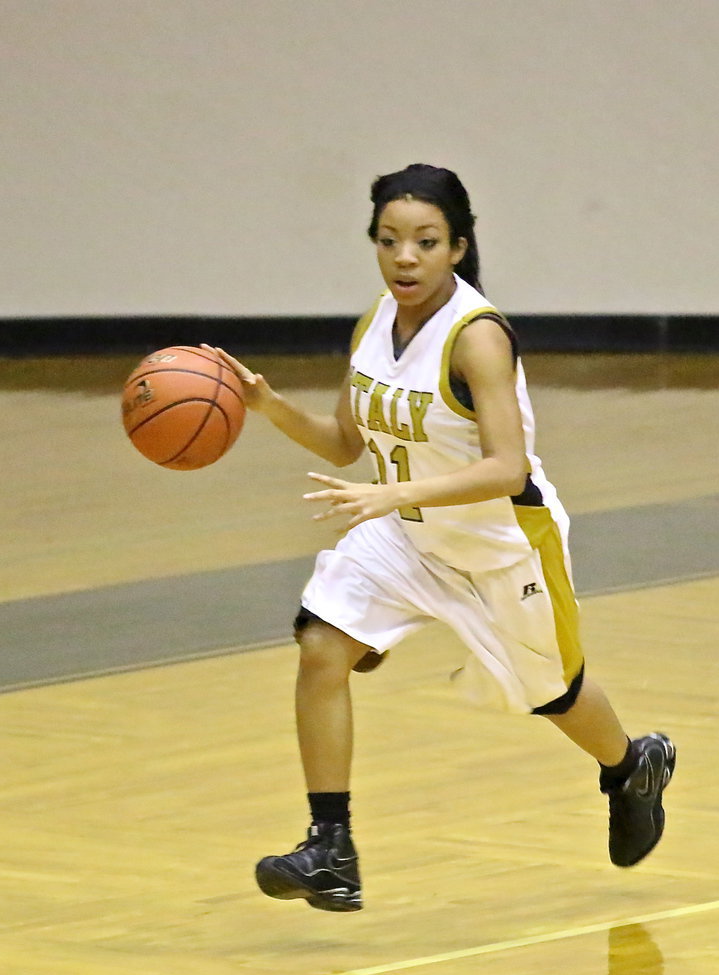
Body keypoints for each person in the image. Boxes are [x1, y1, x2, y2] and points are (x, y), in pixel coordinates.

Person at [212, 163, 675, 914]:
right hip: (409, 532)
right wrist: (266, 406)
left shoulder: (477, 337)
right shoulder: (373, 326)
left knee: (555, 694)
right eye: (390, 240)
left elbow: (506, 465)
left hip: (501, 546)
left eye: (425, 242)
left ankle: (633, 767)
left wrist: (393, 491)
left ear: (457, 247)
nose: (405, 257)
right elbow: (340, 443)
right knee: (322, 646)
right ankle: (332, 848)